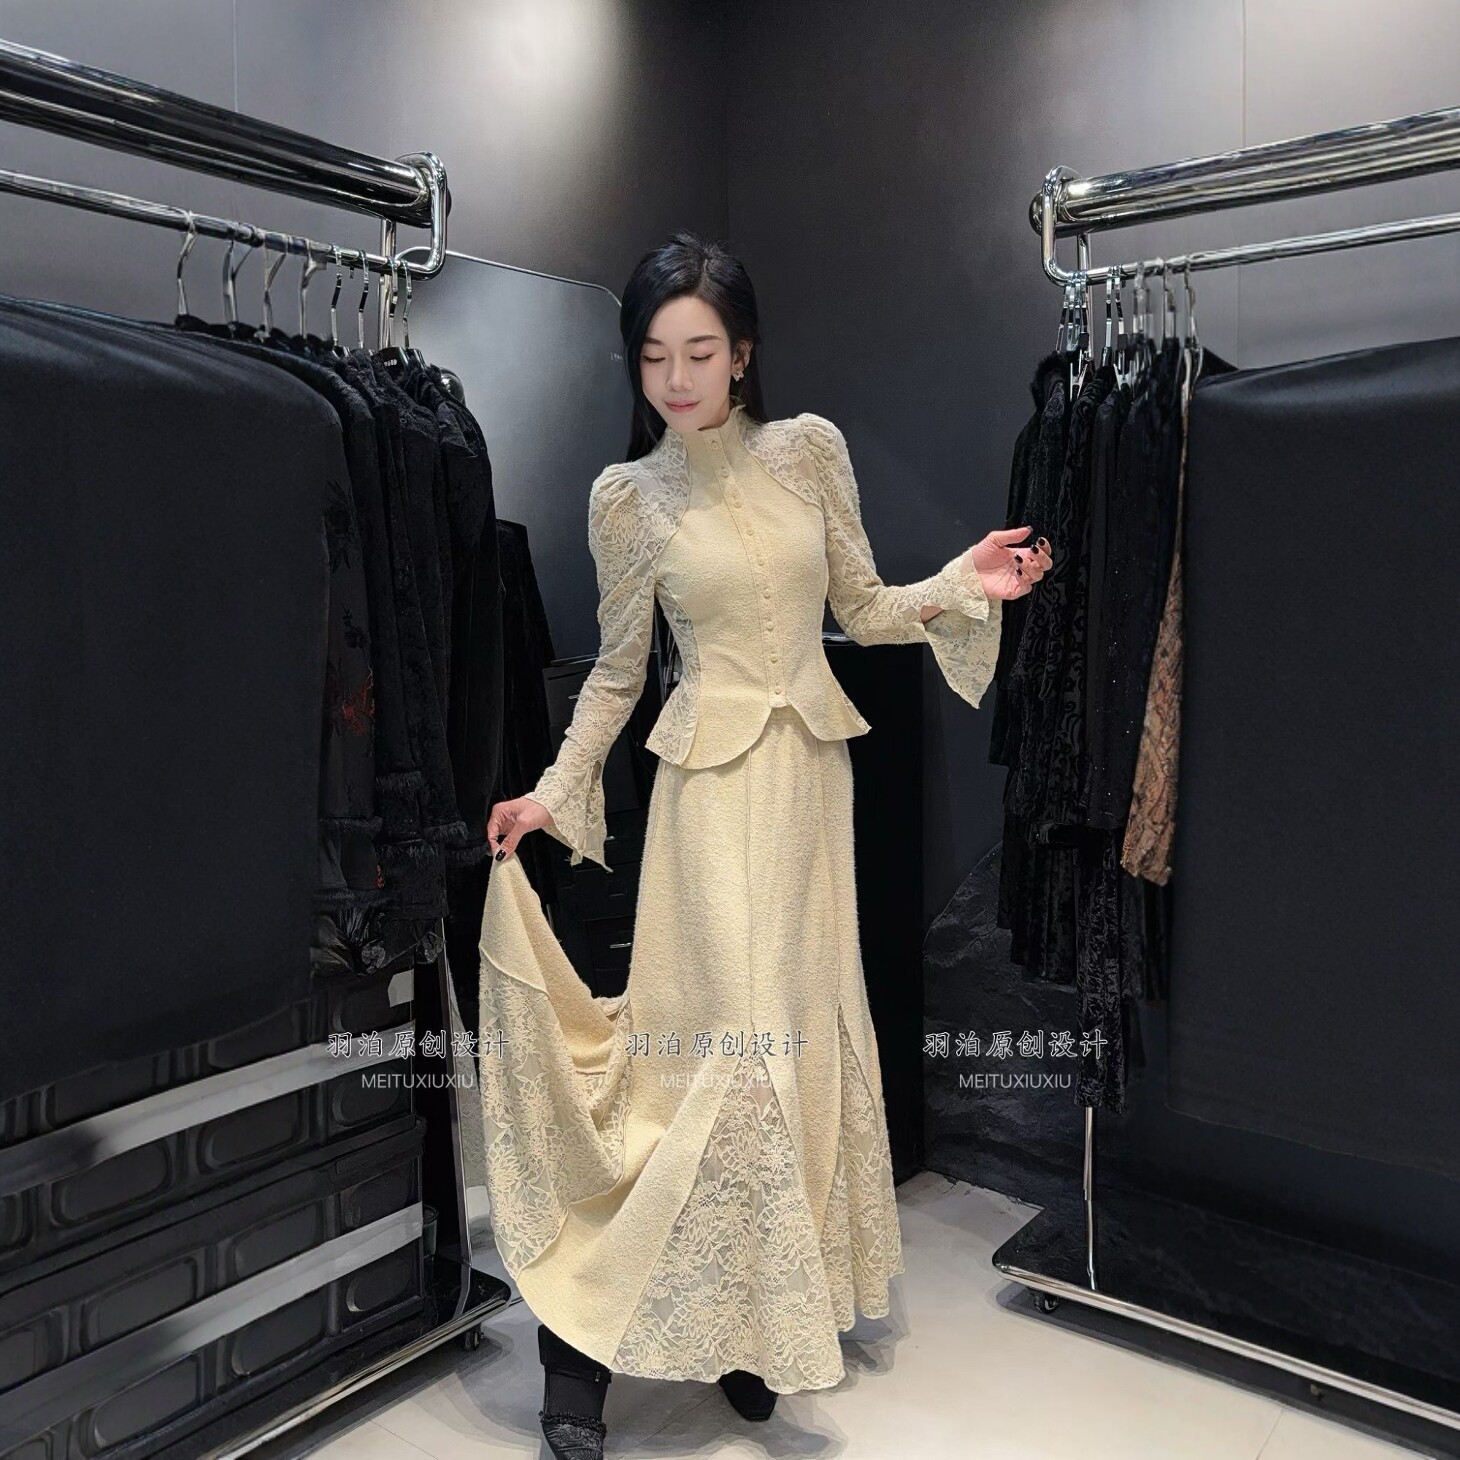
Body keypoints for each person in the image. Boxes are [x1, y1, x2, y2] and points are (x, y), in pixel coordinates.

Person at [481, 231, 1050, 1460]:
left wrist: (965, 581)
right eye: (653, 356)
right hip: (706, 804)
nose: (676, 378)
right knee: (707, 1063)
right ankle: (576, 1353)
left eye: (699, 351)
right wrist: (550, 791)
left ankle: (742, 1325)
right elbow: (617, 674)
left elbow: (863, 610)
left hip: (807, 796)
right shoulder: (627, 498)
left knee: (784, 1055)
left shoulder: (809, 452)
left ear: (742, 353)